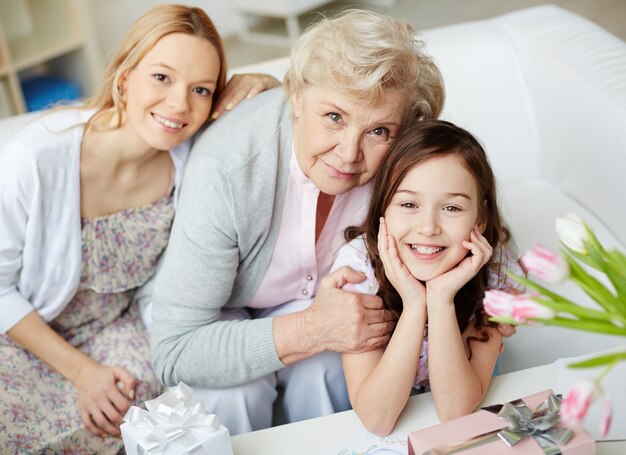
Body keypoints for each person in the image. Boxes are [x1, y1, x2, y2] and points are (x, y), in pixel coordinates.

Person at [149, 9, 447, 435]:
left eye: (378, 131)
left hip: (318, 303)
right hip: (217, 313)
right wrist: (311, 328)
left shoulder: (403, 155)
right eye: (334, 117)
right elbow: (175, 349)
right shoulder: (227, 167)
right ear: (298, 96)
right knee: (231, 394)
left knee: (331, 366)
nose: (348, 154)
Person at [0, 4, 279, 452]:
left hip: (125, 329)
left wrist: (264, 84)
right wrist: (82, 373)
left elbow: (274, 124)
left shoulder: (192, 157)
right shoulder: (34, 160)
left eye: (201, 89)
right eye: (162, 78)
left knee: (145, 418)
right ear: (125, 77)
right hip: (24, 333)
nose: (178, 104)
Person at [332, 120, 523, 436]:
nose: (428, 227)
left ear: (482, 216)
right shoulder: (359, 268)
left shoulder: (495, 272)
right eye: (409, 204)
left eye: (451, 207)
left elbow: (455, 411)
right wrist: (413, 303)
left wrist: (440, 298)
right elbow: (377, 420)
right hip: (385, 394)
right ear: (383, 209)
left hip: (463, 384)